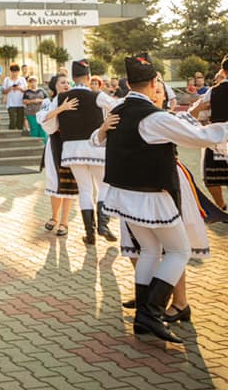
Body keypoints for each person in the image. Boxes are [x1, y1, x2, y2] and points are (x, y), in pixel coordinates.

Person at [97, 55, 228, 342]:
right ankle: (151, 312)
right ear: (155, 82)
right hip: (151, 196)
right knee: (179, 251)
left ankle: (145, 317)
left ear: (128, 83)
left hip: (124, 195)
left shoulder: (119, 108)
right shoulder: (154, 118)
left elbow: (99, 139)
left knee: (149, 251)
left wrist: (100, 132)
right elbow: (199, 136)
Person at [56, 59, 119, 245]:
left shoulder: (61, 98)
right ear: (89, 76)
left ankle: (89, 233)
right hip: (96, 146)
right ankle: (103, 224)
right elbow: (117, 107)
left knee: (84, 189)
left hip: (72, 149)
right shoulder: (96, 96)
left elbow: (50, 124)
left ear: (73, 77)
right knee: (104, 186)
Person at [38, 75, 79, 237]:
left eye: (68, 82)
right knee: (54, 182)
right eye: (62, 82)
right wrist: (62, 108)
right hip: (55, 145)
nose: (66, 85)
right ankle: (54, 217)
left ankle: (64, 222)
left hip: (70, 146)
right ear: (54, 86)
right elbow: (43, 119)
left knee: (69, 184)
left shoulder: (76, 102)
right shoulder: (48, 102)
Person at [191, 56, 228, 209]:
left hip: (218, 141)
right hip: (218, 141)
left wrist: (201, 110)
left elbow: (193, 114)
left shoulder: (214, 92)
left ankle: (221, 206)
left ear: (224, 72)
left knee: (211, 177)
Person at [2, 64, 28, 133]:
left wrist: (20, 88)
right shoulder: (7, 79)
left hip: (21, 103)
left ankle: (20, 137)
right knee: (12, 121)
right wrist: (10, 88)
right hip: (10, 103)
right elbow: (3, 91)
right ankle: (12, 135)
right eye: (13, 72)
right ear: (10, 72)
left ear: (18, 72)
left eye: (16, 71)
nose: (14, 73)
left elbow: (26, 90)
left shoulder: (22, 79)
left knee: (20, 122)